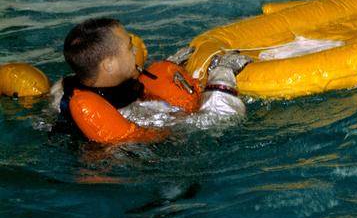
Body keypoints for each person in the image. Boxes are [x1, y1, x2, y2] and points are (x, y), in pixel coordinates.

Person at [53, 17, 242, 144]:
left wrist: (173, 68)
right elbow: (214, 123)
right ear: (108, 65)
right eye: (129, 48)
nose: (135, 51)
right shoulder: (126, 113)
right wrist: (223, 74)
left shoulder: (67, 90)